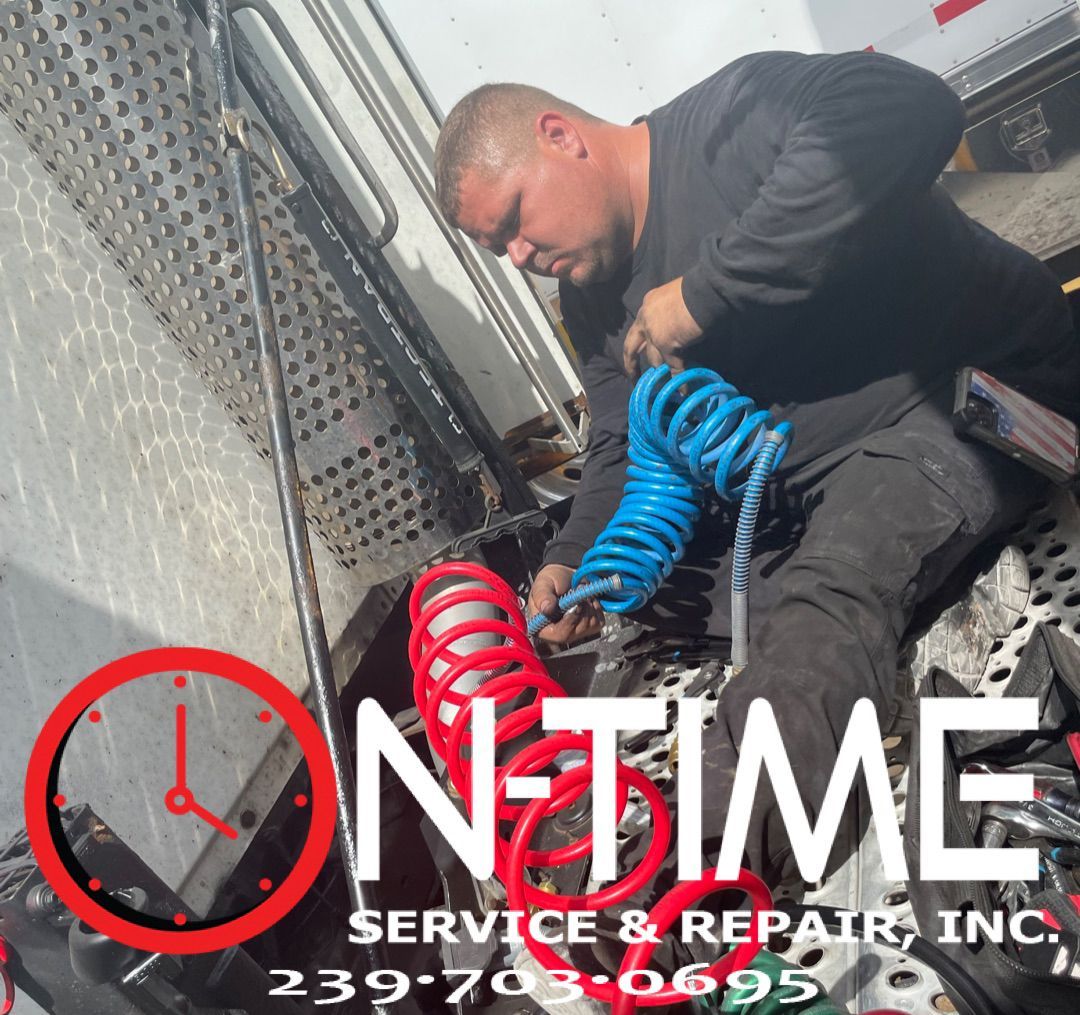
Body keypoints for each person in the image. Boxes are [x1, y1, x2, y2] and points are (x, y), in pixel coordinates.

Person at [433, 51, 1080, 881]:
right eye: (498, 249)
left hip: (978, 393)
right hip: (819, 475)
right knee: (657, 595)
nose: (519, 254)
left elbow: (913, 109)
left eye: (517, 220)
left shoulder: (732, 119)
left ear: (560, 137)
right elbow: (621, 441)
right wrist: (574, 555)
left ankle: (701, 878)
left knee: (833, 592)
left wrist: (705, 292)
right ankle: (888, 645)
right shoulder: (591, 300)